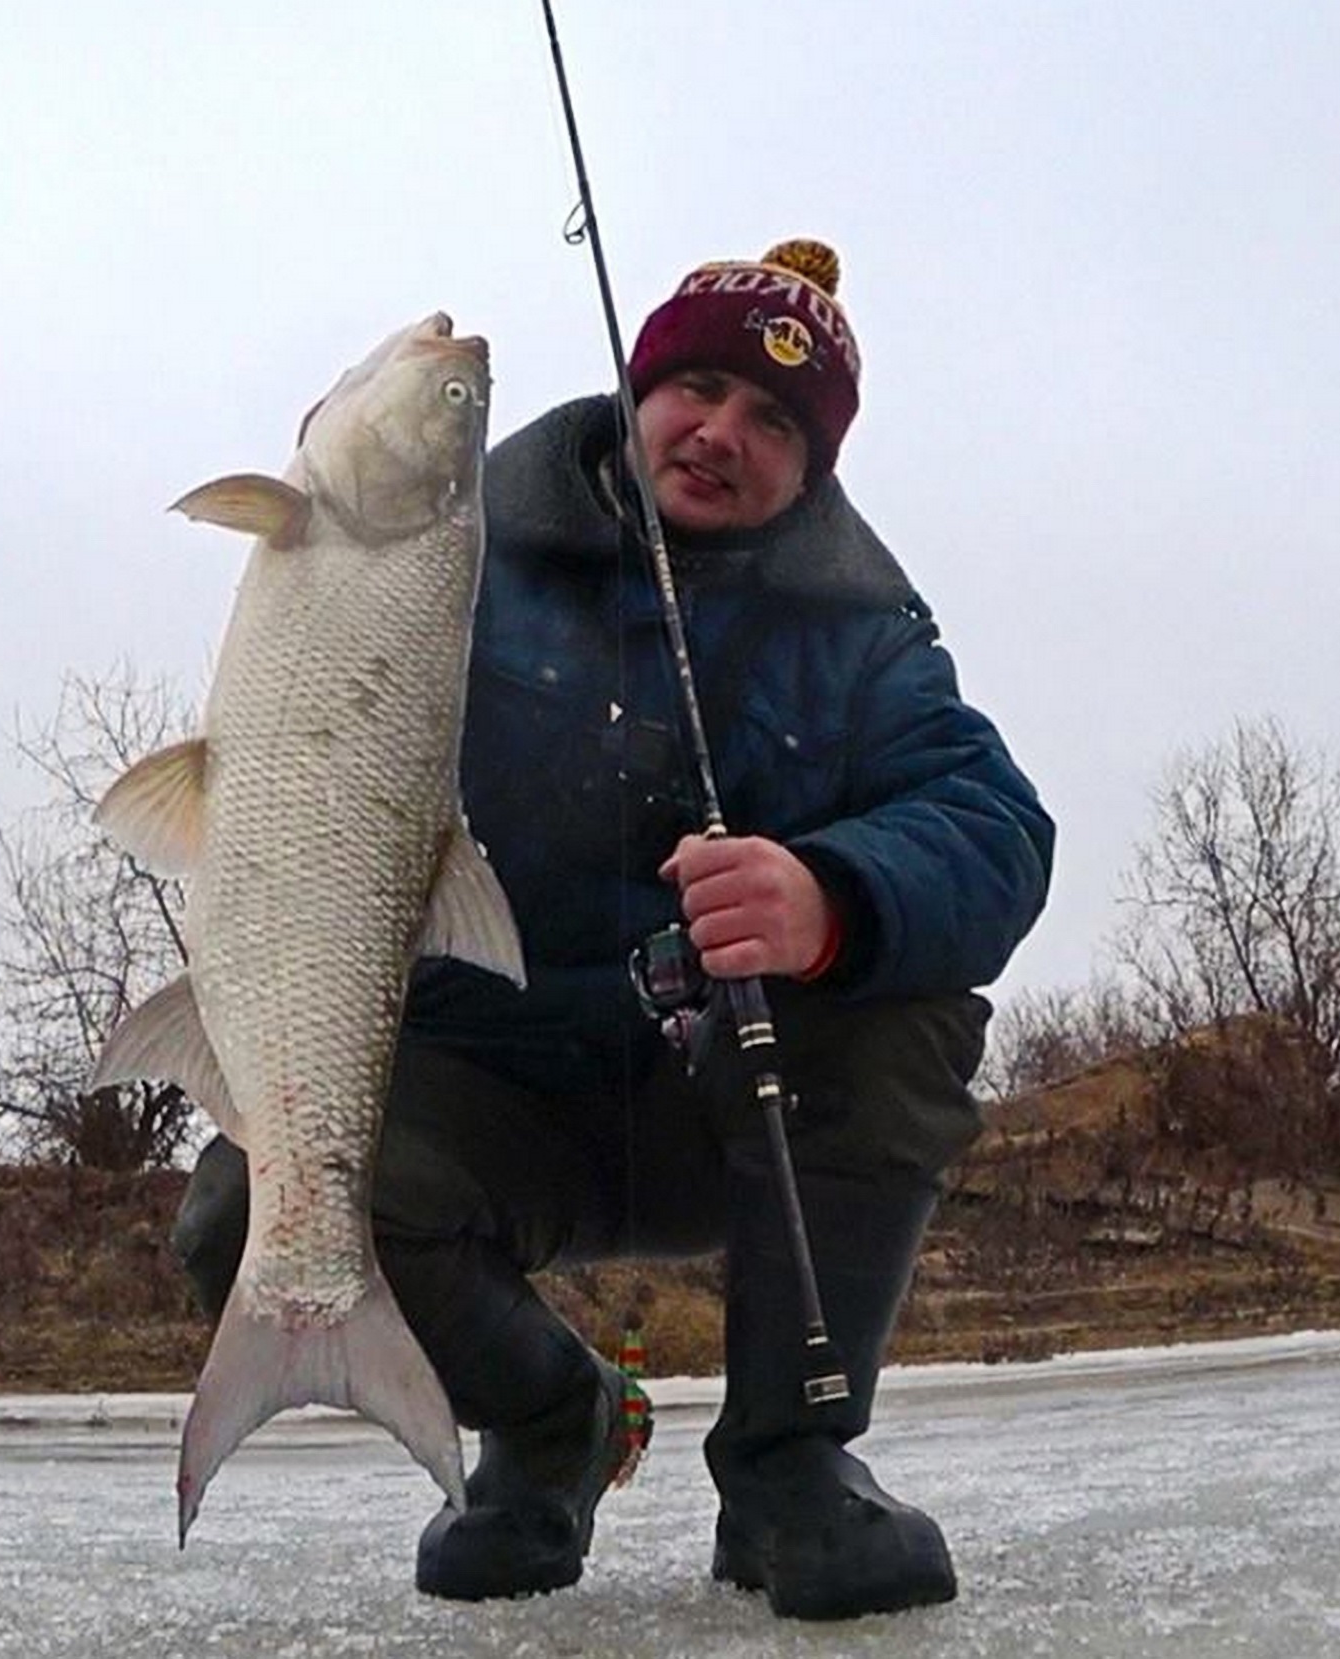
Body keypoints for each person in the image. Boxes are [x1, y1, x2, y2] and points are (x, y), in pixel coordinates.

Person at [172, 238, 1054, 1621]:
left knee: (907, 1005)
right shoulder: (451, 551)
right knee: (251, 1208)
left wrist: (833, 896)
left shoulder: (863, 631)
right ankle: (551, 1423)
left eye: (777, 423)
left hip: (724, 1096)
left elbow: (1000, 829)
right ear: (638, 391)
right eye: (697, 388)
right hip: (492, 1094)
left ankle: (788, 1467)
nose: (724, 434)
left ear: (816, 467)